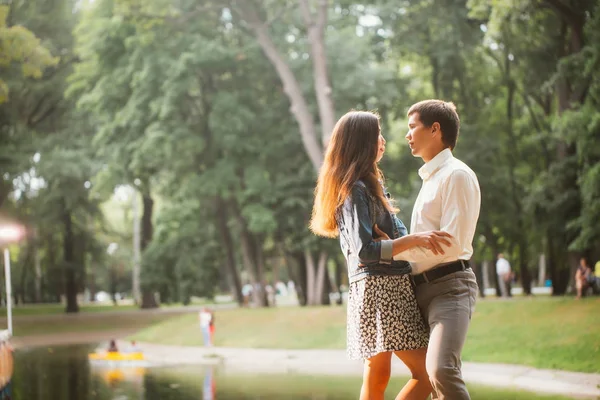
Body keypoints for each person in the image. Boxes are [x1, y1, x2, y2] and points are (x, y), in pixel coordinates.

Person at [310, 110, 453, 400]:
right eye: (377, 135)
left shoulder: (370, 186)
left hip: (382, 286)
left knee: (377, 375)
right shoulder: (355, 190)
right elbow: (366, 251)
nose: (384, 141)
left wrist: (398, 243)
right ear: (362, 142)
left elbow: (393, 241)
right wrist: (408, 241)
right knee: (426, 374)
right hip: (380, 290)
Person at [393, 100, 481, 400]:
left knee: (441, 369)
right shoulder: (431, 179)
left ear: (435, 129)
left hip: (450, 288)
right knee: (427, 378)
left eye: (412, 126)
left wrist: (394, 250)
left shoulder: (456, 175)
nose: (407, 135)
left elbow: (450, 243)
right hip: (419, 290)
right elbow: (423, 240)